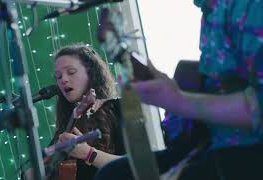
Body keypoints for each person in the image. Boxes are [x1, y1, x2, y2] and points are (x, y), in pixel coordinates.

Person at [95, 0, 263, 179]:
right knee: (114, 175)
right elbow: (223, 84)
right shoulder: (211, 9)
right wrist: (168, 90)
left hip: (247, 155)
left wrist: (179, 101)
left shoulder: (251, 7)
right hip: (210, 145)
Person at [25, 43, 125, 180]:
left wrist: (89, 154)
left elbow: (135, 166)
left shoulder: (118, 107)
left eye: (71, 72)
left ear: (91, 73)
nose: (63, 80)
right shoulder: (66, 127)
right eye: (58, 77)